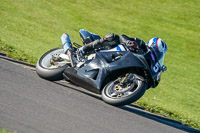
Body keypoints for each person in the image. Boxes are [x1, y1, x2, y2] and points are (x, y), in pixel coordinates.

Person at [61, 29, 167, 65]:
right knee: (113, 37)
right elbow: (123, 37)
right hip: (112, 51)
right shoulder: (141, 44)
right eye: (157, 51)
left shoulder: (148, 62)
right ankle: (81, 51)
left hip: (119, 63)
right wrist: (129, 43)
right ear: (153, 45)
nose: (157, 55)